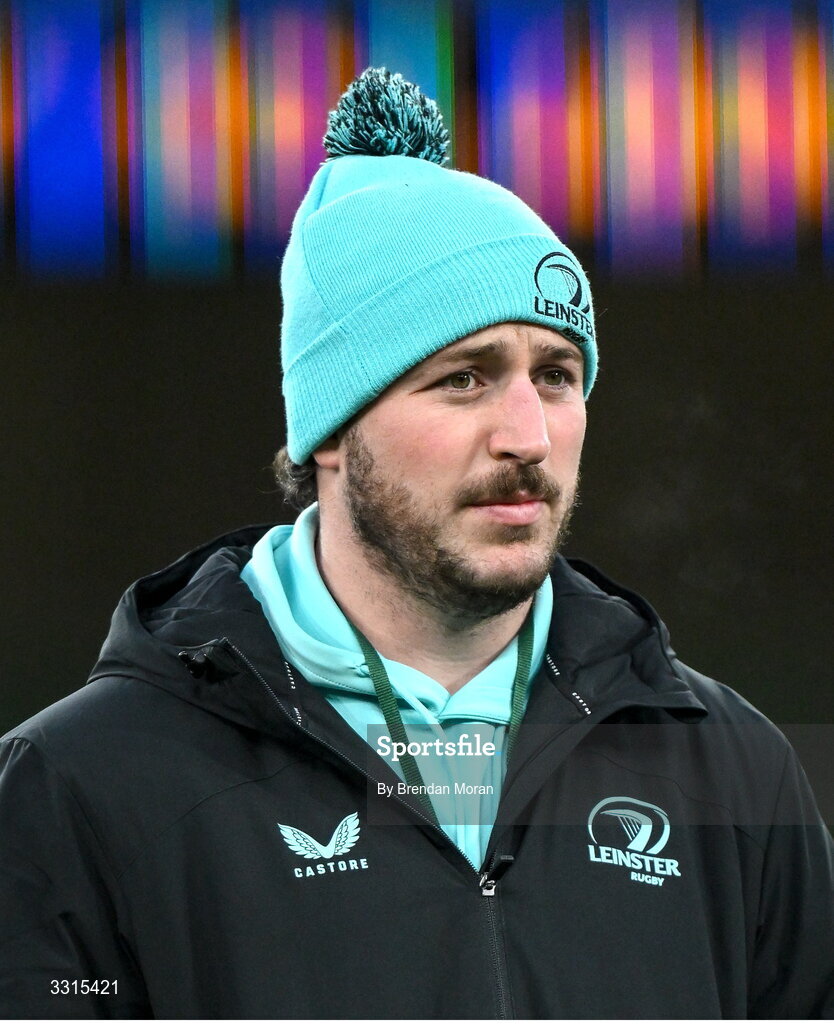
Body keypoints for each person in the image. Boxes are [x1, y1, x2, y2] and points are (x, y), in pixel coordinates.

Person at [1, 68, 832, 1020]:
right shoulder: (80, 785)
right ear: (328, 430)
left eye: (556, 375)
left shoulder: (734, 771)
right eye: (465, 380)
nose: (528, 434)